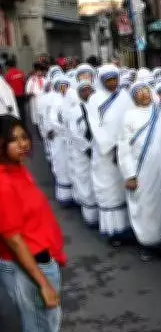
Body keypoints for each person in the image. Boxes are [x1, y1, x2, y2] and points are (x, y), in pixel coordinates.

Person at [0, 115, 84, 332]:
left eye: (25, 137)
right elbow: (13, 238)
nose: (23, 144)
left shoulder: (18, 170)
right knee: (37, 330)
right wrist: (43, 282)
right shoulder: (3, 181)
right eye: (15, 139)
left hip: (41, 259)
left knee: (46, 327)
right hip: (29, 267)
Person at [118, 80, 161, 261]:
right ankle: (147, 243)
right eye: (138, 92)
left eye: (145, 90)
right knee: (145, 207)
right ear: (134, 97)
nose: (143, 94)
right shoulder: (129, 116)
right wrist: (130, 175)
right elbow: (124, 147)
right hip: (142, 171)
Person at [86, 65, 134, 246]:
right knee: (110, 189)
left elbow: (130, 119)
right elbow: (95, 126)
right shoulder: (94, 99)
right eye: (109, 80)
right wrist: (110, 147)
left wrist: (124, 146)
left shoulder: (124, 96)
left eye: (115, 79)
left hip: (124, 148)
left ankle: (129, 227)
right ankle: (113, 230)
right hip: (105, 152)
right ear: (101, 81)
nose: (113, 83)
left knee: (125, 186)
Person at [67, 74, 98, 227]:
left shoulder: (98, 107)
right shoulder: (74, 111)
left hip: (99, 151)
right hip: (82, 153)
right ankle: (90, 216)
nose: (87, 93)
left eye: (89, 90)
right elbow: (74, 133)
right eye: (84, 90)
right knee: (85, 181)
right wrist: (87, 148)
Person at [46, 75, 74, 205]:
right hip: (59, 139)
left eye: (66, 86)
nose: (63, 89)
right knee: (62, 166)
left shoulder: (71, 100)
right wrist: (64, 129)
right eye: (61, 87)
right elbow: (52, 120)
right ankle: (65, 196)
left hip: (70, 139)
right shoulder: (55, 101)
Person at [25, 63, 46, 131]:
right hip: (35, 102)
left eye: (41, 71)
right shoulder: (31, 80)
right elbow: (28, 91)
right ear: (35, 71)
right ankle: (38, 130)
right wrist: (32, 94)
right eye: (38, 71)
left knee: (44, 116)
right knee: (37, 118)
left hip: (44, 102)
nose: (39, 72)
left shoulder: (44, 79)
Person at [4, 58, 26, 126]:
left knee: (15, 111)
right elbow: (24, 83)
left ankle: (18, 124)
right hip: (22, 95)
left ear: (7, 66)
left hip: (14, 96)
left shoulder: (7, 75)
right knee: (22, 110)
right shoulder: (21, 72)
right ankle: (23, 124)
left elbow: (6, 87)